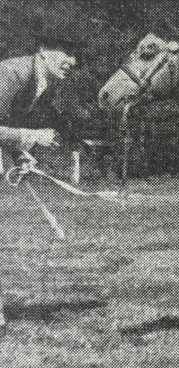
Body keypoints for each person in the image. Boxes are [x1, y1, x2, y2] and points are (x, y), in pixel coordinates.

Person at [0, 25, 84, 337]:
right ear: (44, 50)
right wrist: (32, 137)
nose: (73, 61)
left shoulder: (42, 84)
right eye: (67, 52)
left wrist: (21, 155)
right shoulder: (11, 74)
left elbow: (5, 124)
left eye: (76, 55)